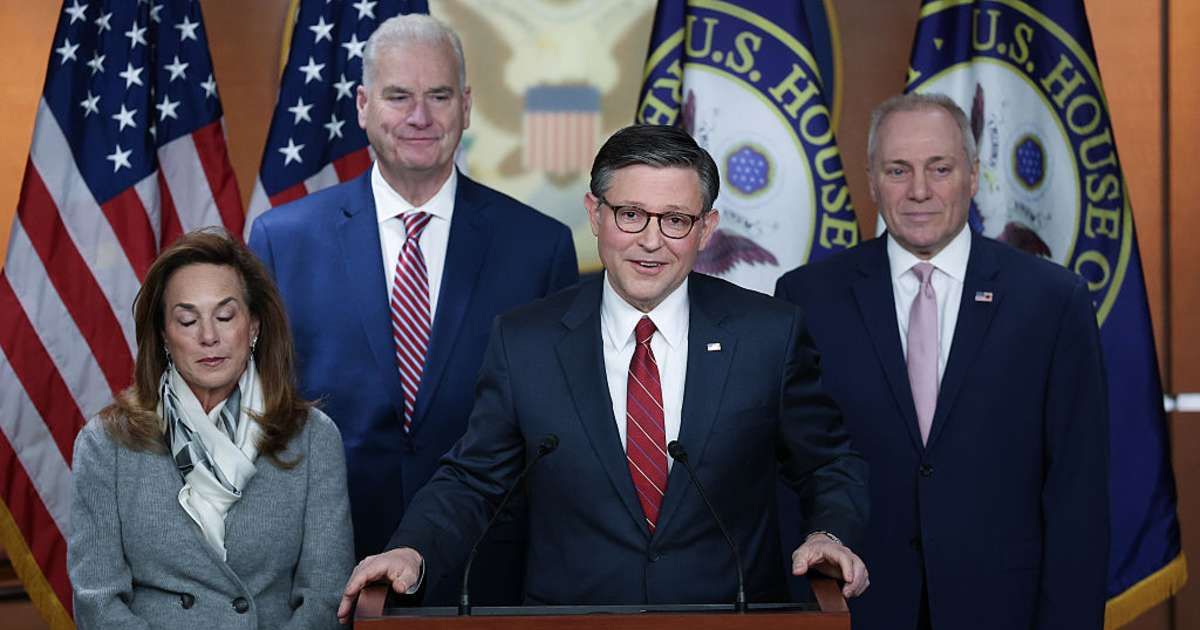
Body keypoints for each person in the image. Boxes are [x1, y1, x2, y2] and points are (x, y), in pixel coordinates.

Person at [337, 124, 870, 621]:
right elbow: (474, 481)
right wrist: (412, 549)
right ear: (595, 214)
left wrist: (830, 533)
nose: (651, 240)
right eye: (630, 214)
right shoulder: (527, 341)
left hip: (727, 620)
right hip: (574, 622)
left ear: (706, 228)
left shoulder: (768, 334)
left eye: (675, 219)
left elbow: (827, 464)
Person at [247, 14, 578, 603]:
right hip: (325, 567)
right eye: (399, 96)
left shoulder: (538, 245)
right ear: (363, 106)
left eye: (439, 95)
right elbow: (258, 412)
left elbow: (555, 430)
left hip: (488, 572)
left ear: (467, 106)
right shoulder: (282, 239)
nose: (420, 117)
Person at [775, 93, 1109, 629]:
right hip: (859, 607)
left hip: (1006, 608)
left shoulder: (1051, 300)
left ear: (973, 176)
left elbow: (1078, 492)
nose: (920, 190)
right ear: (871, 178)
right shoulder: (808, 297)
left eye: (940, 168)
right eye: (898, 169)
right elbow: (793, 473)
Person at [68, 230, 353, 630]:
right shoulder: (105, 443)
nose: (208, 336)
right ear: (164, 335)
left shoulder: (313, 438)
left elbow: (325, 597)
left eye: (224, 316)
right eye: (187, 320)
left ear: (253, 326)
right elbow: (97, 602)